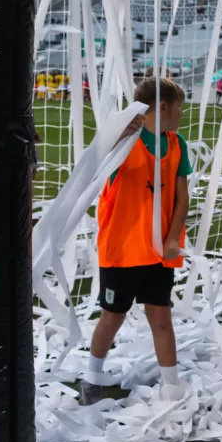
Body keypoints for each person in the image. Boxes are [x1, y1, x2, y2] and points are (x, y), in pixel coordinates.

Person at [80, 77, 192, 405]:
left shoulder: (177, 145)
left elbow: (182, 198)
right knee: (112, 317)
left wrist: (172, 239)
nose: (181, 114)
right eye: (179, 108)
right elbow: (95, 163)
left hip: (159, 253)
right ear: (163, 107)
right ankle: (92, 378)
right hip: (122, 251)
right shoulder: (124, 141)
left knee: (161, 317)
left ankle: (171, 387)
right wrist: (118, 130)